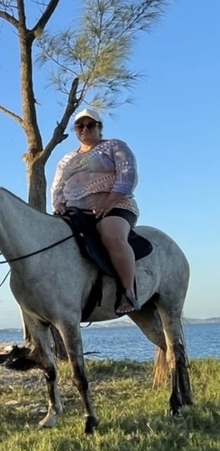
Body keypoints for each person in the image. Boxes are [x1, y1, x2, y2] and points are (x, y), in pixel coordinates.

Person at [51, 104, 140, 316]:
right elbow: (57, 186)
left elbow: (127, 176)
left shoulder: (114, 146)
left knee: (112, 237)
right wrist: (59, 203)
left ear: (99, 127)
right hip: (75, 211)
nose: (85, 129)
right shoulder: (66, 160)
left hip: (115, 205)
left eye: (90, 125)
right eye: (79, 126)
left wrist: (108, 203)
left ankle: (127, 291)